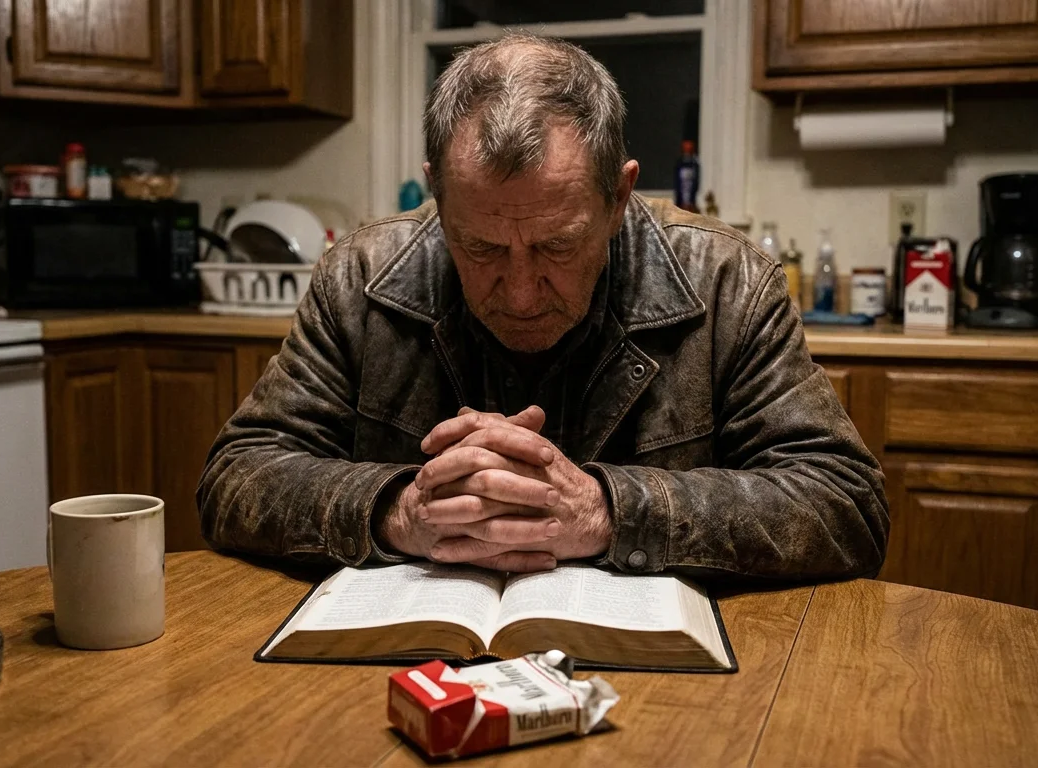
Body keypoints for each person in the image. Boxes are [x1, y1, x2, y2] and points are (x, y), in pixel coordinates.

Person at [198, 34, 888, 579]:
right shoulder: (358, 276)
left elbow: (845, 505)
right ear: (437, 193)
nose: (522, 293)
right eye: (481, 248)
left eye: (558, 248)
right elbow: (237, 476)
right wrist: (397, 510)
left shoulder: (730, 281)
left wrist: (606, 511)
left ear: (619, 198)